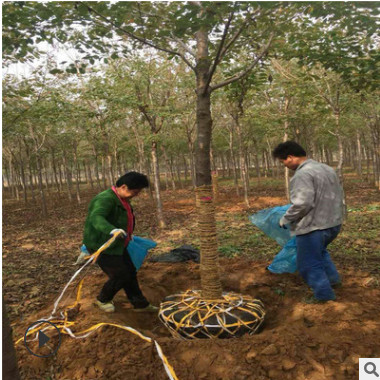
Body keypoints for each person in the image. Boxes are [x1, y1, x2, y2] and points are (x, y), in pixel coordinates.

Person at [272, 141, 343, 302]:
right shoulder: (326, 169)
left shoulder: (302, 175)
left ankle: (324, 297)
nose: (284, 165)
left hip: (313, 227)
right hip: (333, 223)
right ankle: (333, 281)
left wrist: (285, 219)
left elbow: (302, 203)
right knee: (320, 253)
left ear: (290, 157)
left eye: (283, 162)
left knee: (308, 264)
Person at [82, 171, 158, 313]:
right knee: (120, 275)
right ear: (123, 187)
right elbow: (96, 217)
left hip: (118, 244)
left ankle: (140, 304)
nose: (137, 194)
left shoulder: (122, 199)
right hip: (102, 246)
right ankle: (103, 299)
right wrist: (112, 230)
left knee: (130, 272)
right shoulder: (105, 199)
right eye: (135, 191)